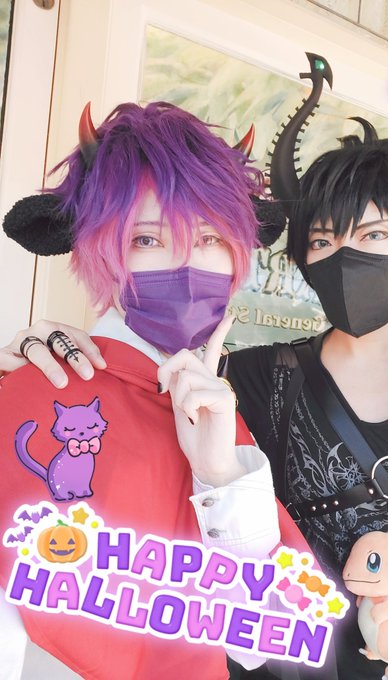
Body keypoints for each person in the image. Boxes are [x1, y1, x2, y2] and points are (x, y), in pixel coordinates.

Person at [5, 67, 388, 680]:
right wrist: (49, 357)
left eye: (374, 234)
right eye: (322, 242)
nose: (345, 258)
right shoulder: (246, 379)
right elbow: (145, 409)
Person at [0, 100, 310, 680]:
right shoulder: (29, 392)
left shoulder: (214, 414)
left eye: (212, 237)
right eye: (147, 239)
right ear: (100, 249)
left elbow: (270, 633)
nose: (187, 262)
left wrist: (220, 474)